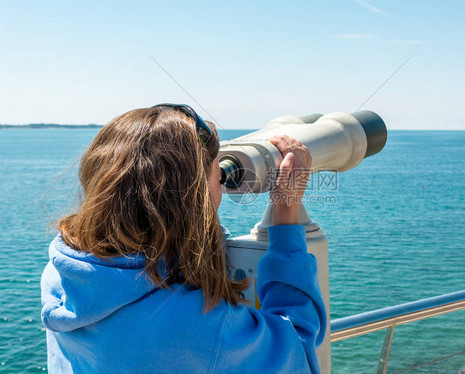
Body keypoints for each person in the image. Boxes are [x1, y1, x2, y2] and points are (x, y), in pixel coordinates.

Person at [40, 104, 326, 373]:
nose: (221, 187)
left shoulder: (61, 275)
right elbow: (297, 347)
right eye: (219, 177)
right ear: (196, 198)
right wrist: (286, 214)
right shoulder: (200, 327)